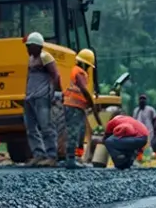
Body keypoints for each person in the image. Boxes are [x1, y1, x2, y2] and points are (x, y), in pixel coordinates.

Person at [23, 32, 63, 167]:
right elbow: (29, 77)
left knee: (46, 127)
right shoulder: (31, 59)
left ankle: (52, 156)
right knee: (31, 128)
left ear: (37, 46)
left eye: (29, 46)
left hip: (42, 97)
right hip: (30, 97)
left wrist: (56, 94)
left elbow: (56, 76)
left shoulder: (45, 57)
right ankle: (39, 154)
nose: (27, 49)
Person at [63, 48, 101, 169]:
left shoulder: (78, 71)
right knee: (73, 132)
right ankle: (70, 160)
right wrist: (91, 103)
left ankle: (75, 158)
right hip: (73, 106)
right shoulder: (78, 71)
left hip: (76, 106)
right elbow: (83, 89)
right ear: (84, 63)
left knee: (78, 133)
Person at [132, 94, 156, 164]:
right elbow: (134, 121)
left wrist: (155, 129)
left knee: (149, 145)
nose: (142, 100)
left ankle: (148, 160)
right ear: (138, 101)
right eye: (141, 99)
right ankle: (139, 160)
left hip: (149, 131)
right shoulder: (136, 110)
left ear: (146, 101)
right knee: (139, 146)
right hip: (138, 131)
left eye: (144, 99)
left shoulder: (150, 109)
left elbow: (154, 119)